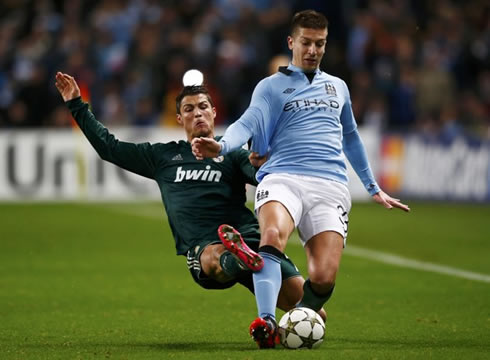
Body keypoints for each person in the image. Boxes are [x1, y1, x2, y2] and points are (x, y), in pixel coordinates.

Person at [192, 9, 410, 349]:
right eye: (306, 43)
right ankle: (265, 321)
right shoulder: (271, 86)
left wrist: (372, 186)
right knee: (272, 236)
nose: (312, 50)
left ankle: (300, 318)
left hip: (330, 185)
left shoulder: (338, 87)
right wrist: (220, 145)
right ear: (292, 42)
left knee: (323, 278)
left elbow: (351, 137)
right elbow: (246, 124)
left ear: (326, 45)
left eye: (320, 44)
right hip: (283, 177)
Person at [54, 72, 327, 319]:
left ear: (213, 112)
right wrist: (77, 105)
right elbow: (109, 147)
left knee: (315, 316)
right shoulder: (162, 156)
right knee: (214, 257)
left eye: (203, 107)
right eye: (189, 109)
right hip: (205, 244)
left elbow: (261, 176)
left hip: (250, 237)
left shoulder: (230, 152)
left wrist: (261, 163)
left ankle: (247, 263)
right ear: (179, 119)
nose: (197, 113)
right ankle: (239, 259)